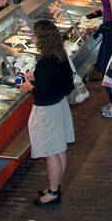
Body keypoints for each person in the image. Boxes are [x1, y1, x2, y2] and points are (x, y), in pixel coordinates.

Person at [21, 18, 75, 206]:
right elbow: (67, 83)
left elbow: (42, 93)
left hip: (47, 112)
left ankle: (53, 192)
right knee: (60, 149)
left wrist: (30, 86)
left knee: (51, 152)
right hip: (60, 106)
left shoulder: (44, 63)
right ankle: (55, 185)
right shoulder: (60, 55)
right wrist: (38, 77)